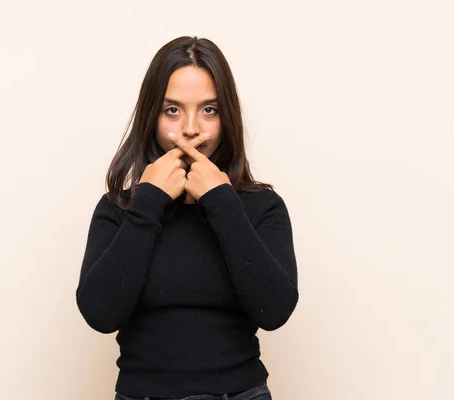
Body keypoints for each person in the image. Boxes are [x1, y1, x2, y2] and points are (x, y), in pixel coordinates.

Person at [75, 36, 299, 400]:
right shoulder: (119, 209)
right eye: (173, 110)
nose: (191, 129)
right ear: (152, 116)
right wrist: (147, 205)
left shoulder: (262, 207)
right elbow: (100, 314)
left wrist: (221, 202)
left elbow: (274, 311)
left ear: (227, 117)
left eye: (209, 109)